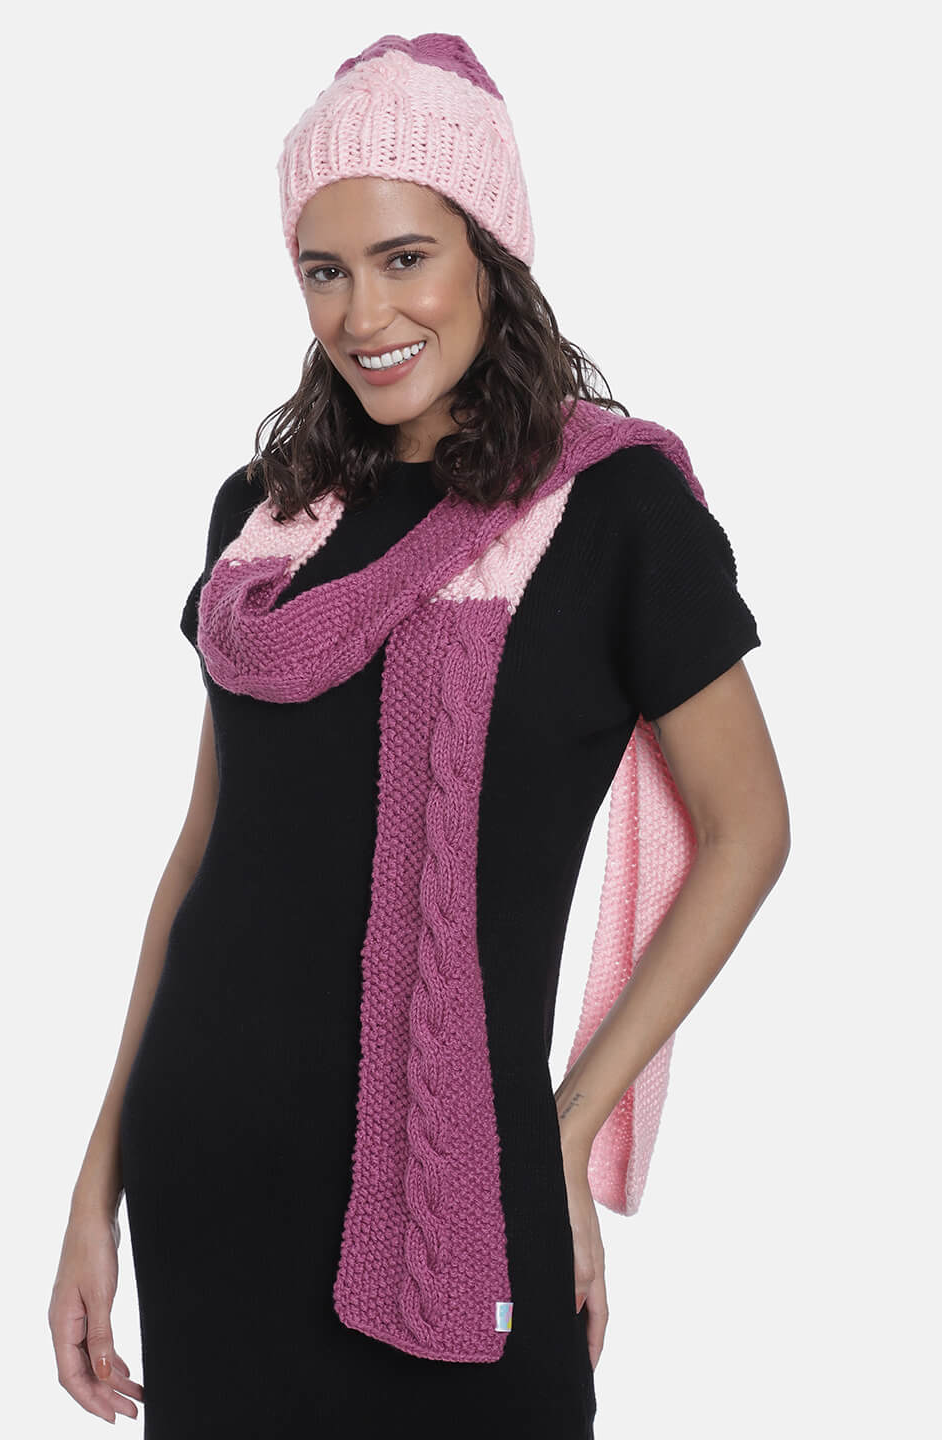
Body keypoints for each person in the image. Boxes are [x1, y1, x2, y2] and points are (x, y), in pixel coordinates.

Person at [49, 32, 789, 1437]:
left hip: (453, 1188)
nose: (363, 311)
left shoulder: (616, 512)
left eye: (405, 258)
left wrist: (564, 1126)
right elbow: (205, 857)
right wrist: (99, 1185)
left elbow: (751, 829)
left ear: (490, 251)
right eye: (323, 270)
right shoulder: (265, 520)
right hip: (207, 1190)